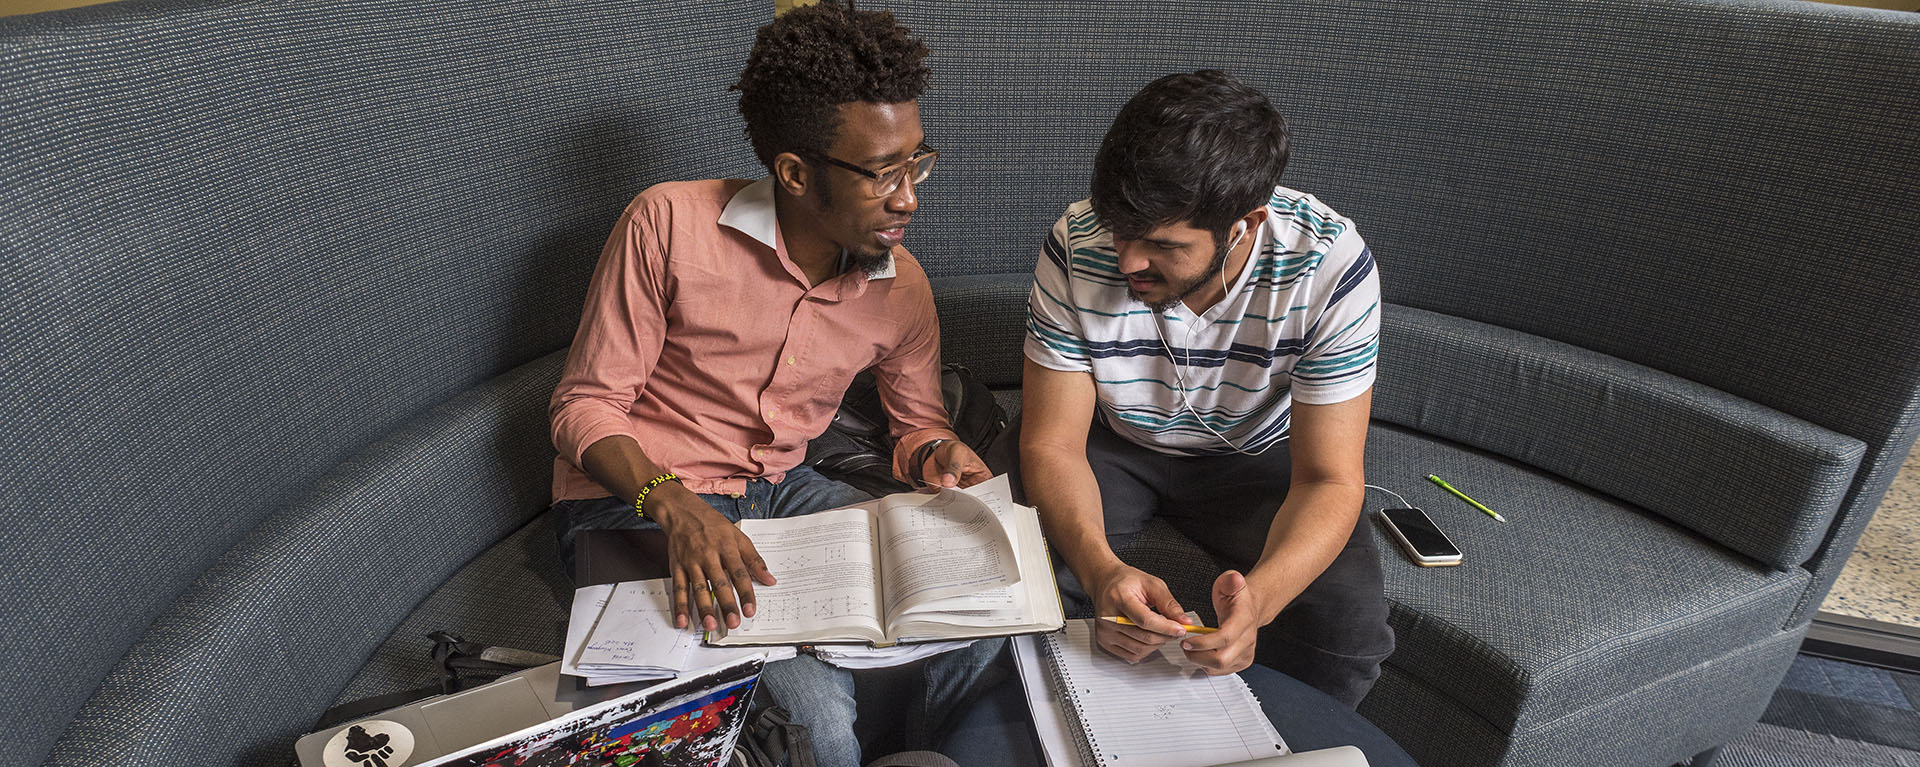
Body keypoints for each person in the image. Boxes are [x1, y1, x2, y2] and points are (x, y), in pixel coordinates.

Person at [546, 4, 998, 763]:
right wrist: (676, 505)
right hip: (637, 501)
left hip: (786, 489)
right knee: (814, 716)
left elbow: (918, 423)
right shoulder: (666, 223)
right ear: (794, 171)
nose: (910, 196)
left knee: (977, 617)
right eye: (882, 173)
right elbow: (583, 404)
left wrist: (939, 458)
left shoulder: (902, 285)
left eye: (916, 162)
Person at [1015, 70, 1393, 708]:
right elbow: (1051, 442)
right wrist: (1101, 572)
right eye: (1120, 229)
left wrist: (1260, 605)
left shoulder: (1329, 266)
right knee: (1020, 587)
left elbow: (1330, 479)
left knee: (1349, 636)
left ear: (1245, 223)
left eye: (1162, 245)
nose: (1128, 261)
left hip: (1258, 456)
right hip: (1112, 441)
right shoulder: (1078, 243)